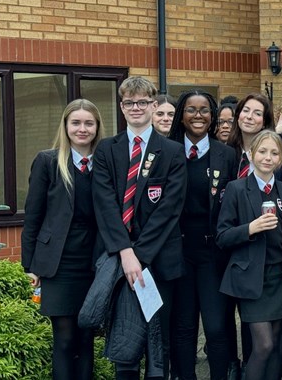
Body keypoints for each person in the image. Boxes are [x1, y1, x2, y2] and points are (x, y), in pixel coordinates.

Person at [92, 76, 187, 379]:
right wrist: (125, 253)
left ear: (153, 105)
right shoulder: (107, 150)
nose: (136, 108)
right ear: (121, 107)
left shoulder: (171, 151)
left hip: (160, 261)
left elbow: (170, 209)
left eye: (142, 102)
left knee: (158, 343)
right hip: (119, 261)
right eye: (129, 103)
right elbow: (105, 204)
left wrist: (140, 255)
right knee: (126, 340)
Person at [22, 99, 104, 380]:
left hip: (93, 262)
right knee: (66, 339)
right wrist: (30, 265)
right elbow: (33, 215)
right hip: (59, 263)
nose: (82, 129)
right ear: (66, 126)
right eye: (76, 123)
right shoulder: (48, 161)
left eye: (88, 123)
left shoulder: (104, 164)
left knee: (86, 338)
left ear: (96, 127)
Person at [217, 130, 282, 380]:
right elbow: (222, 236)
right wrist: (250, 229)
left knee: (280, 344)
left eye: (274, 153)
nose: (268, 157)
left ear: (281, 159)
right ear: (252, 154)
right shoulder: (235, 189)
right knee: (264, 345)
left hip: (281, 278)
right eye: (263, 151)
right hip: (252, 278)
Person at [166, 91, 238, 380]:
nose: (198, 115)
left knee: (217, 326)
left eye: (205, 110)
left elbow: (233, 203)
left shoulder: (227, 154)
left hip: (212, 253)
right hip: (178, 251)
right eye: (192, 110)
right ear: (181, 115)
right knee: (182, 327)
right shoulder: (167, 151)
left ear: (213, 116)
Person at [228, 92, 282, 185]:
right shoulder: (226, 154)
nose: (249, 117)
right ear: (238, 116)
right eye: (245, 110)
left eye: (257, 113)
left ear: (265, 121)